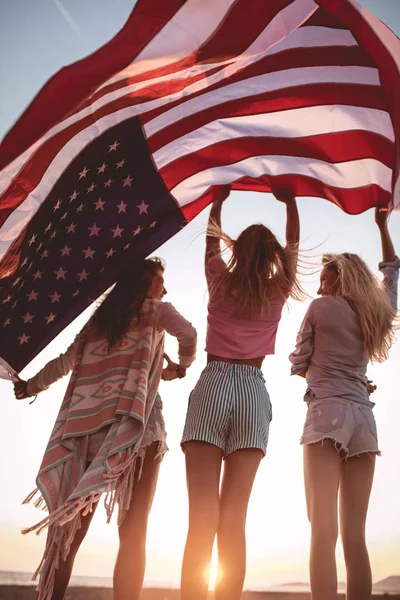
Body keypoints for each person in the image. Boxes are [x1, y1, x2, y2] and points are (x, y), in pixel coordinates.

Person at [14, 257, 197, 600]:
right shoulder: (157, 310)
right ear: (145, 283)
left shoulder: (99, 322)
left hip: (89, 432)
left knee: (70, 530)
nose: (165, 288)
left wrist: (30, 387)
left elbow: (66, 362)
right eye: (160, 280)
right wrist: (183, 366)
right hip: (137, 430)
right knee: (133, 532)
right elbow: (188, 334)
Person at [180, 189, 303, 600]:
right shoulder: (277, 290)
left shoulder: (218, 278)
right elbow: (294, 249)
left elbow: (211, 240)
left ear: (239, 251)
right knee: (234, 519)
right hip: (252, 391)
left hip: (213, 382)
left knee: (202, 519)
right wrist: (291, 204)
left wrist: (218, 202)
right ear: (271, 258)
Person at [289, 208, 399, 600]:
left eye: (323, 278)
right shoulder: (376, 312)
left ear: (339, 277)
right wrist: (383, 225)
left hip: (326, 415)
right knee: (356, 537)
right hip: (364, 423)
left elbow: (298, 360)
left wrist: (317, 369)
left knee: (322, 532)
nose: (319, 289)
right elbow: (392, 271)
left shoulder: (319, 309)